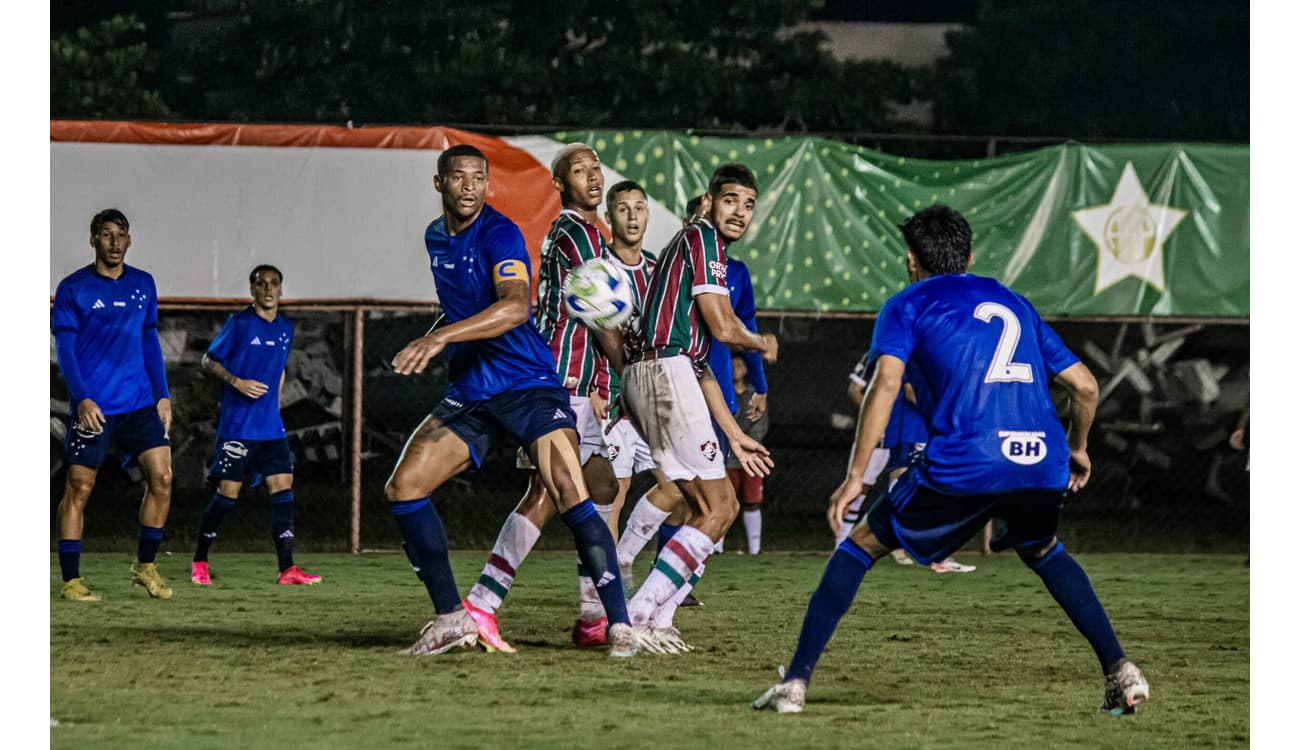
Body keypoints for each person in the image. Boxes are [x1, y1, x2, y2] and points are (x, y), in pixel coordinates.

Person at [754, 204, 1148, 715]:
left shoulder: (906, 304)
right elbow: (1085, 386)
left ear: (911, 259)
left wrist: (855, 476)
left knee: (859, 547)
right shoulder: (1014, 301)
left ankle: (795, 683)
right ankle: (1120, 670)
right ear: (969, 256)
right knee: (1044, 549)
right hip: (1040, 459)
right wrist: (1077, 449)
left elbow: (886, 383)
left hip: (969, 457)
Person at [386, 144, 635, 657]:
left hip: (527, 386)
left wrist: (439, 339)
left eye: (480, 177)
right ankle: (454, 617)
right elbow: (461, 309)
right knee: (403, 487)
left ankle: (619, 626)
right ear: (441, 184)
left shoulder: (499, 232)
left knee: (571, 491)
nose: (471, 186)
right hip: (473, 392)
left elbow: (516, 307)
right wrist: (436, 336)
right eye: (460, 177)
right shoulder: (435, 237)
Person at [460, 144, 629, 653]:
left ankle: (589, 615)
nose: (592, 177)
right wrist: (631, 373)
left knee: (599, 490)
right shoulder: (576, 232)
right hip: (560, 380)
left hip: (577, 382)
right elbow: (601, 317)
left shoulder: (589, 233)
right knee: (552, 494)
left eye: (596, 169)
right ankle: (485, 603)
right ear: (560, 185)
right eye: (579, 171)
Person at [620, 163, 779, 651]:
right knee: (718, 507)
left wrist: (734, 434)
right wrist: (760, 341)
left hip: (662, 374)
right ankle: (636, 616)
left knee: (705, 506)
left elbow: (705, 366)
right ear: (709, 202)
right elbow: (726, 326)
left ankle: (660, 618)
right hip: (664, 374)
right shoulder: (703, 240)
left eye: (749, 204)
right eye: (731, 200)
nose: (740, 212)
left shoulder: (693, 249)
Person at [52, 208, 175, 601]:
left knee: (163, 478)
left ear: (129, 240)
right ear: (93, 240)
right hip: (96, 407)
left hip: (139, 403)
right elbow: (66, 353)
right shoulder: (74, 289)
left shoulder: (143, 284)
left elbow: (149, 342)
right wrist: (82, 398)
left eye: (121, 234)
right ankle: (71, 579)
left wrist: (162, 395)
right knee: (79, 487)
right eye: (106, 234)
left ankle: (145, 567)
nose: (114, 242)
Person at [189, 265, 321, 586]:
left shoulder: (286, 328)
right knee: (228, 494)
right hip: (238, 427)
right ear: (252, 289)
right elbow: (208, 360)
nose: (267, 289)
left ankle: (287, 568)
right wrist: (237, 382)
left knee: (283, 485)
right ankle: (200, 559)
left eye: (274, 283)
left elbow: (280, 370)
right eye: (261, 283)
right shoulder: (239, 324)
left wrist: (273, 408)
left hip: (270, 429)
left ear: (281, 290)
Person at [843, 353, 975, 573]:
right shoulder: (905, 352)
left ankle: (913, 546)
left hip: (914, 430)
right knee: (904, 487)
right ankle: (909, 545)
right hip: (911, 430)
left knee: (909, 487)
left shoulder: (920, 350)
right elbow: (909, 390)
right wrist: (943, 413)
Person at [726, 354, 769, 554]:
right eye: (732, 364)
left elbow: (760, 426)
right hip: (726, 456)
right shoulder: (723, 393)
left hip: (752, 456)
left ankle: (755, 549)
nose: (736, 368)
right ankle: (714, 548)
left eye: (740, 364)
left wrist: (747, 445)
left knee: (752, 502)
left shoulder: (755, 394)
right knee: (723, 501)